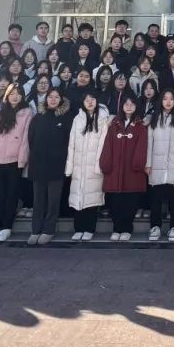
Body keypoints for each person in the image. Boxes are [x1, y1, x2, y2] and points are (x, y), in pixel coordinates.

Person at [0, 83, 32, 242]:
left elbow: (26, 139)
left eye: (18, 93)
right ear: (7, 96)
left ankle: (6, 227)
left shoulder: (27, 113)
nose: (15, 97)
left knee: (11, 196)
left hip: (14, 161)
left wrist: (22, 160)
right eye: (12, 94)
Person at [26, 86, 72, 245]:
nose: (53, 99)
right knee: (38, 200)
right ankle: (35, 229)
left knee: (53, 200)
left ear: (61, 100)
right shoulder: (38, 117)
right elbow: (30, 139)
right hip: (38, 164)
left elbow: (68, 142)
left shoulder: (66, 118)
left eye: (56, 97)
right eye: (50, 96)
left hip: (57, 166)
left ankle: (48, 229)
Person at [100, 96, 148, 241]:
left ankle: (127, 228)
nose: (129, 106)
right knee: (115, 201)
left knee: (130, 201)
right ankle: (116, 228)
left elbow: (142, 146)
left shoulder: (140, 125)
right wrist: (105, 163)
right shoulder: (114, 124)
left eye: (132, 104)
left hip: (132, 171)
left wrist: (138, 163)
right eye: (126, 104)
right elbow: (107, 145)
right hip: (115, 170)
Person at [66, 92, 110, 241]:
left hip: (94, 165)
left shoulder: (102, 119)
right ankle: (78, 228)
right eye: (86, 100)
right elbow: (71, 143)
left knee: (92, 198)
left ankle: (89, 228)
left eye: (92, 99)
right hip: (79, 164)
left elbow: (103, 143)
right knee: (78, 196)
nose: (90, 102)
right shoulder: (77, 119)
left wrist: (99, 165)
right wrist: (70, 167)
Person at [146, 89, 174, 242]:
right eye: (165, 99)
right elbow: (149, 142)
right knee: (156, 198)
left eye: (171, 99)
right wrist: (148, 163)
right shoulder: (154, 119)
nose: (168, 102)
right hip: (156, 163)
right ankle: (155, 226)